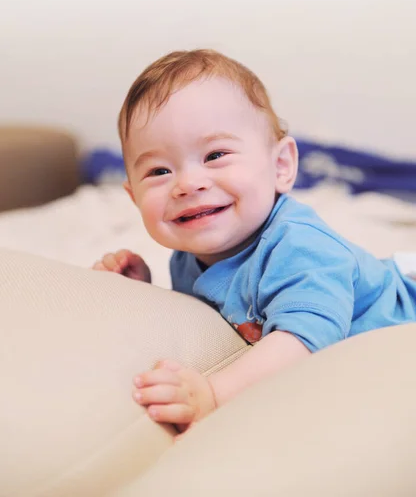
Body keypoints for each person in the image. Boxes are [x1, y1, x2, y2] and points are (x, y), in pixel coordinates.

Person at [93, 49, 416, 432]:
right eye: (159, 171)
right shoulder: (187, 256)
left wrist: (213, 394)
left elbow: (304, 341)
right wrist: (142, 293)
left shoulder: (300, 248)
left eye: (215, 155)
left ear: (280, 167)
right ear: (133, 198)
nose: (187, 184)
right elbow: (208, 318)